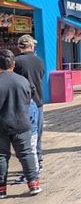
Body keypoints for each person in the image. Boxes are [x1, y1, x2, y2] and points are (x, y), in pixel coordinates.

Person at [0, 49, 41, 197]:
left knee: (1, 157)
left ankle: (2, 189)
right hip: (22, 124)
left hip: (1, 126)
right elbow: (29, 102)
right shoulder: (23, 81)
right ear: (14, 64)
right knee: (26, 154)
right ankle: (34, 184)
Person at [14, 34, 45, 168]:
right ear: (32, 46)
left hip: (21, 103)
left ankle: (29, 163)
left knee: (25, 135)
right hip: (37, 100)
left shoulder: (16, 62)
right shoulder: (39, 61)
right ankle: (38, 158)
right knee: (37, 133)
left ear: (19, 47)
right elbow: (41, 76)